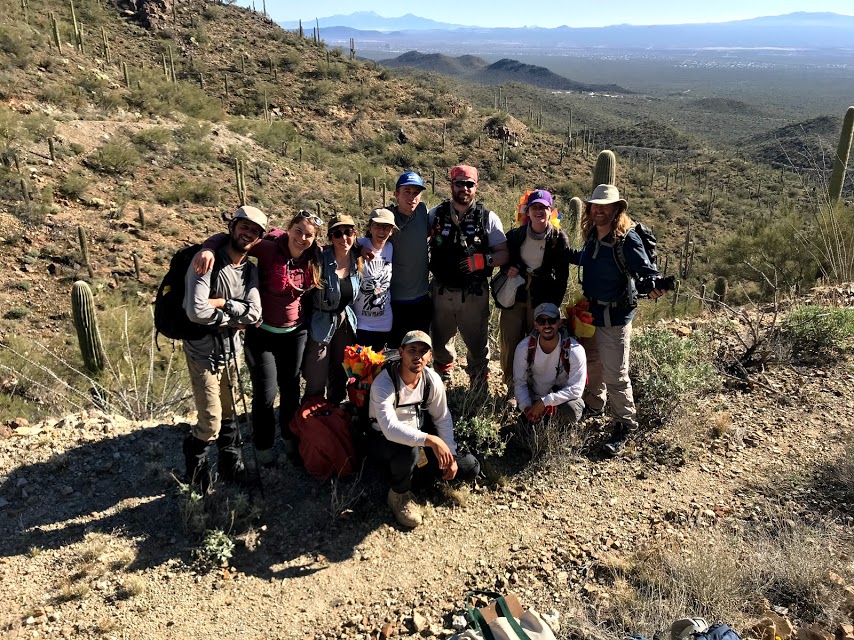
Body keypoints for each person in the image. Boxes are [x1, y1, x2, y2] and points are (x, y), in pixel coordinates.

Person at [194, 210, 324, 465]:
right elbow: (229, 238)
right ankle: (264, 446)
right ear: (289, 229)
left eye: (309, 235)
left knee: (290, 391)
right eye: (298, 231)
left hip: (295, 333)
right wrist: (207, 250)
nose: (302, 238)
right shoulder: (267, 249)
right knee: (265, 394)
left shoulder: (314, 256)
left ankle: (290, 439)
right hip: (262, 332)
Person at [569, 184, 666, 455]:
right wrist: (562, 252)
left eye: (605, 206)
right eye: (595, 205)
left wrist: (655, 284)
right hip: (591, 314)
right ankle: (595, 405)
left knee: (616, 374)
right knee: (594, 365)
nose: (599, 210)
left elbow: (645, 271)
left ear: (616, 210)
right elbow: (589, 260)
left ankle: (625, 424)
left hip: (615, 316)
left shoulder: (626, 239)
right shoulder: (592, 234)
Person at [182, 206, 264, 488]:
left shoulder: (249, 270)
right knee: (211, 420)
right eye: (244, 226)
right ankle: (197, 477)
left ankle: (231, 465)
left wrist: (223, 304)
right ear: (232, 227)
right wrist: (235, 316)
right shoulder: (207, 261)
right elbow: (195, 311)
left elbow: (255, 314)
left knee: (230, 411)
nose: (247, 233)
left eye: (254, 230)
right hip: (203, 350)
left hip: (232, 349)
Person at [368, 330, 481, 528]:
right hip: (384, 441)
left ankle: (414, 475)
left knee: (469, 467)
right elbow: (389, 428)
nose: (417, 356)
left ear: (430, 357)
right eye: (412, 350)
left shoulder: (432, 380)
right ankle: (399, 494)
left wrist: (450, 454)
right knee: (408, 449)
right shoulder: (384, 383)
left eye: (423, 351)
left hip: (419, 438)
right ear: (401, 352)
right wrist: (432, 441)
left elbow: (442, 417)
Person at [428, 165, 509, 385]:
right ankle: (443, 372)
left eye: (469, 184)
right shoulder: (435, 215)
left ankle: (478, 377)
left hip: (474, 292)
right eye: (459, 183)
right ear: (451, 185)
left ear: (476, 187)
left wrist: (486, 260)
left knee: (476, 341)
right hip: (441, 289)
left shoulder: (488, 218)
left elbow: (504, 252)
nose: (464, 188)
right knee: (440, 339)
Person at [499, 189, 570, 389]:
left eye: (543, 207)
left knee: (537, 342)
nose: (539, 211)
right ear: (527, 211)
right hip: (514, 296)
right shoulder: (515, 235)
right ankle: (512, 386)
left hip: (542, 299)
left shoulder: (558, 239)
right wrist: (507, 268)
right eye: (534, 207)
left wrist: (554, 306)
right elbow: (503, 261)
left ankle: (534, 386)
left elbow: (562, 277)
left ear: (551, 211)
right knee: (510, 342)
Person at [303, 214, 363, 405]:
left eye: (348, 232)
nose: (344, 238)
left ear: (354, 234)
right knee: (317, 373)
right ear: (330, 237)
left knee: (340, 369)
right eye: (338, 234)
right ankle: (312, 415)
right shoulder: (319, 258)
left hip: (345, 319)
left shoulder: (357, 258)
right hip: (321, 320)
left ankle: (335, 410)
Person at [513, 303, 586, 425]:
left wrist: (545, 402)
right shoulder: (524, 348)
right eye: (541, 321)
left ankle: (562, 429)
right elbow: (520, 382)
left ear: (559, 323)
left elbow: (576, 389)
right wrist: (527, 408)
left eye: (551, 320)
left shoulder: (574, 349)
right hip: (535, 401)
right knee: (525, 429)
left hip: (562, 401)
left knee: (571, 410)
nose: (547, 325)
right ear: (535, 325)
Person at [388, 171, 432, 346]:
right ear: (396, 194)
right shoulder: (387, 218)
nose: (412, 197)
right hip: (395, 300)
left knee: (419, 350)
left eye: (416, 193)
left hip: (421, 298)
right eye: (407, 191)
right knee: (396, 350)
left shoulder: (423, 212)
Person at [354, 208, 397, 352]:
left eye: (387, 227)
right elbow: (341, 242)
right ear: (370, 227)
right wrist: (358, 249)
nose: (382, 231)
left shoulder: (390, 248)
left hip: (384, 322)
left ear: (391, 231)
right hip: (361, 322)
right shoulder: (360, 243)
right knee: (358, 367)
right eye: (378, 225)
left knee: (377, 368)